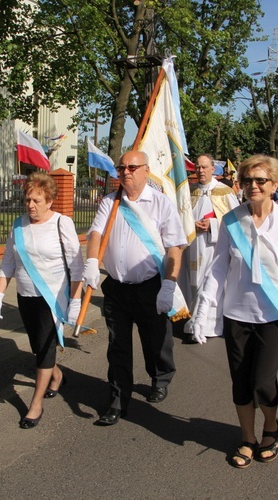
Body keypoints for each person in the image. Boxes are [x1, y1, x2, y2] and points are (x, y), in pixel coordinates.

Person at [190, 155, 278, 468]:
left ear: (274, 185)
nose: (253, 186)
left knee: (263, 380)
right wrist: (203, 311)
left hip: (274, 315)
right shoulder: (231, 220)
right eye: (247, 180)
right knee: (241, 382)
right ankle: (247, 438)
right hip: (237, 315)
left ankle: (271, 427)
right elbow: (218, 269)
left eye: (260, 181)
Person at [84, 150, 187, 426]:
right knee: (117, 346)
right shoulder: (110, 202)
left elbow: (175, 247)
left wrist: (169, 284)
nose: (125, 172)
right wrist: (92, 262)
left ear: (146, 170)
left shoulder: (161, 204)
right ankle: (118, 401)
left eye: (132, 167)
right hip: (117, 288)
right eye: (122, 168)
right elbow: (96, 233)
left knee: (155, 340)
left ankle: (160, 376)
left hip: (150, 286)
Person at [0, 172, 84, 429]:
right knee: (38, 346)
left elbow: (77, 267)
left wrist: (75, 301)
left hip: (52, 298)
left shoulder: (61, 224)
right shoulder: (18, 224)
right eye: (28, 200)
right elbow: (8, 261)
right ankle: (57, 375)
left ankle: (35, 404)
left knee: (44, 348)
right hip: (25, 295)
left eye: (36, 200)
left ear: (50, 200)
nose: (31, 205)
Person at [180, 154, 239, 341]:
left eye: (204, 167)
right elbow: (180, 217)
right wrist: (191, 225)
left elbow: (235, 221)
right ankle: (193, 323)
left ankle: (210, 325)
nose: (200, 170)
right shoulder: (190, 192)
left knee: (210, 283)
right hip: (194, 245)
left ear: (213, 169)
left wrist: (212, 224)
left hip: (215, 247)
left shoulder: (225, 192)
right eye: (197, 167)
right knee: (194, 283)